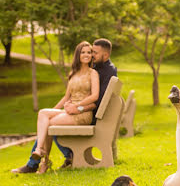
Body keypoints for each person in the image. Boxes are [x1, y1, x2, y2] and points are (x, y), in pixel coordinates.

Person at [11, 38, 117, 174]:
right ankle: (39, 154)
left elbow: (95, 98)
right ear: (77, 55)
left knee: (49, 125)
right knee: (44, 114)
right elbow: (66, 97)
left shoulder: (95, 72)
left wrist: (77, 107)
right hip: (73, 110)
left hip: (83, 113)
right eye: (83, 52)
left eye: (90, 52)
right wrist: (54, 111)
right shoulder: (73, 74)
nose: (88, 55)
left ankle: (42, 162)